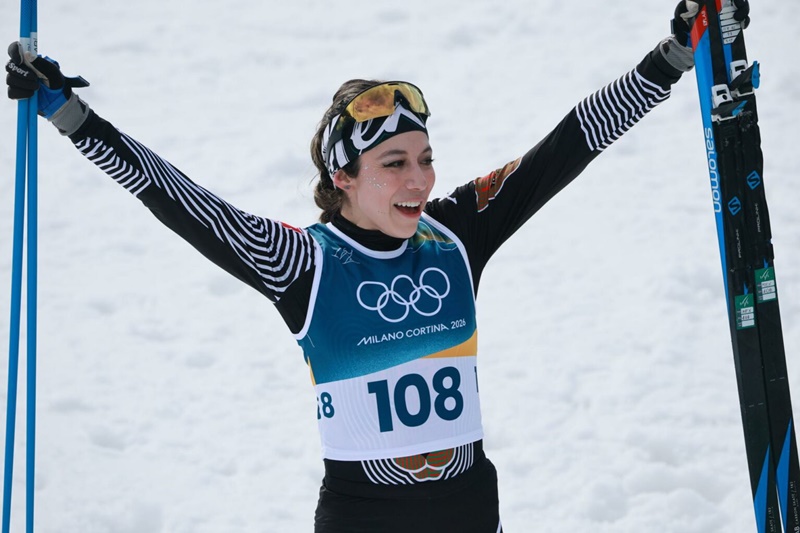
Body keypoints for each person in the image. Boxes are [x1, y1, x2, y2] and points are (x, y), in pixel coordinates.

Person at [5, 1, 750, 531]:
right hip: (364, 518)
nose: (419, 180)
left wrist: (670, 58)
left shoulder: (456, 234)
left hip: (469, 510)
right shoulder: (302, 261)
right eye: (394, 163)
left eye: (425, 158)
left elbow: (568, 145)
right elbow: (179, 200)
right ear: (344, 177)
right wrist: (73, 117)